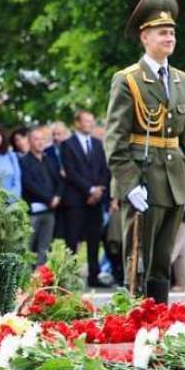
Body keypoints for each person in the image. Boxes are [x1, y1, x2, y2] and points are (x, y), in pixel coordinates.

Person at [104, 0, 185, 303]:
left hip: (175, 182)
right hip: (145, 179)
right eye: (162, 32)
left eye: (172, 32)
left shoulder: (183, 80)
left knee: (162, 262)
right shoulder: (128, 79)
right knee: (138, 262)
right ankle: (134, 323)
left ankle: (158, 320)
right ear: (145, 37)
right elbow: (115, 140)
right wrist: (128, 184)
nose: (169, 38)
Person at [63, 109, 113, 288]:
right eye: (86, 121)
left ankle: (94, 275)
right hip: (77, 201)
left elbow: (104, 170)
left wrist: (99, 191)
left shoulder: (98, 144)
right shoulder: (67, 145)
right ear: (77, 123)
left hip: (96, 202)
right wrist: (90, 190)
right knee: (73, 240)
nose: (90, 124)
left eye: (92, 121)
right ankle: (70, 278)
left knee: (94, 240)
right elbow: (71, 172)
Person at [21, 126, 64, 264]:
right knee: (28, 246)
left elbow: (60, 180)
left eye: (42, 139)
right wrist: (49, 199)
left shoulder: (50, 160)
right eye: (36, 139)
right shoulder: (24, 161)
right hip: (33, 212)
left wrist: (57, 197)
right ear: (29, 141)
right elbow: (29, 184)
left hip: (50, 211)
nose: (40, 142)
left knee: (45, 247)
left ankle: (40, 280)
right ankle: (26, 280)